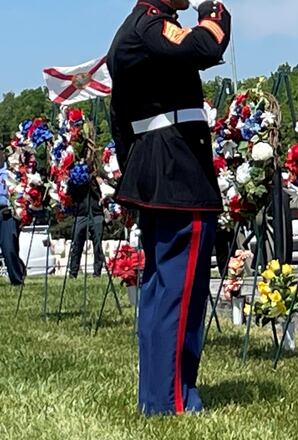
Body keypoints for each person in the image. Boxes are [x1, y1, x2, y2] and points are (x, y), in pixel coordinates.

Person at [107, 0, 231, 416]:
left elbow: (118, 119)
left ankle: (159, 396)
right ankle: (170, 401)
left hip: (158, 170)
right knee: (179, 294)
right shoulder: (149, 26)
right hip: (177, 172)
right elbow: (201, 49)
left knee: (161, 293)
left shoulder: (134, 30)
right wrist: (215, 16)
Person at [67, 177, 105, 278]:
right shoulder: (76, 175)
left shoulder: (98, 176)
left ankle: (97, 272)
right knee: (76, 244)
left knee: (98, 244)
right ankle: (73, 272)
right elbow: (69, 192)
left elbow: (109, 187)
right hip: (81, 213)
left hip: (96, 213)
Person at [0, 151, 25, 286]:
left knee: (9, 248)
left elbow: (20, 190)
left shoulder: (11, 172)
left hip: (6, 213)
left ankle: (17, 279)